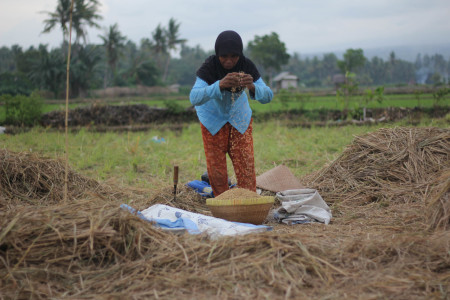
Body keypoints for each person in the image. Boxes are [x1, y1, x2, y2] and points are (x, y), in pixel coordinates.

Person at [189, 30, 273, 197]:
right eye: (224, 56)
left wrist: (253, 87)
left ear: (239, 55)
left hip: (239, 119)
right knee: (217, 170)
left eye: (234, 56)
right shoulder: (209, 67)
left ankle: (247, 203)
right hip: (212, 120)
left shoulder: (246, 65)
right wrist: (219, 84)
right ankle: (222, 203)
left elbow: (268, 95)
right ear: (217, 54)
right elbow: (194, 97)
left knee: (246, 165)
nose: (229, 61)